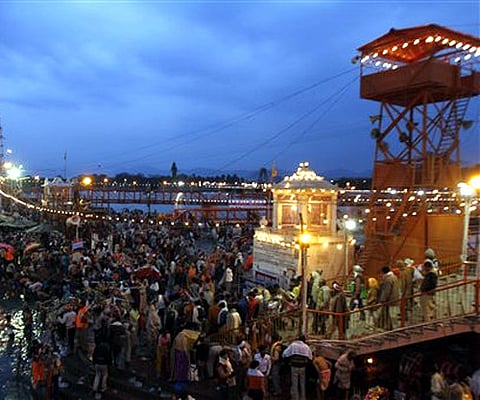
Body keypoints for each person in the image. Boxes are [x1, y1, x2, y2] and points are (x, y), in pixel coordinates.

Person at [282, 334, 313, 400]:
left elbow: (285, 354)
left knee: (294, 384)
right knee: (302, 383)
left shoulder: (293, 345)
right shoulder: (306, 347)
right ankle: (303, 398)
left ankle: (295, 398)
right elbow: (310, 357)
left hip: (294, 366)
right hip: (303, 367)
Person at [377, 266, 400, 330]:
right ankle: (388, 327)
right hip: (395, 298)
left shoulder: (388, 279)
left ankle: (390, 328)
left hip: (389, 300)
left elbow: (386, 291)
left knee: (389, 314)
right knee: (389, 314)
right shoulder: (394, 277)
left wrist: (382, 300)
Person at [92, 335, 112, 400]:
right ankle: (103, 387)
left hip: (97, 362)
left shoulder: (98, 346)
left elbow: (94, 354)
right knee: (105, 375)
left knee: (97, 375)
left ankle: (94, 387)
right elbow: (108, 356)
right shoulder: (107, 347)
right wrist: (109, 363)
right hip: (104, 363)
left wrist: (94, 362)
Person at [398, 259, 415, 324]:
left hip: (405, 290)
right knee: (406, 304)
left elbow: (403, 283)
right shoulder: (408, 270)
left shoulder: (403, 272)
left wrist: (403, 291)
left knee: (403, 304)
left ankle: (404, 317)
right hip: (409, 289)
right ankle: (405, 315)